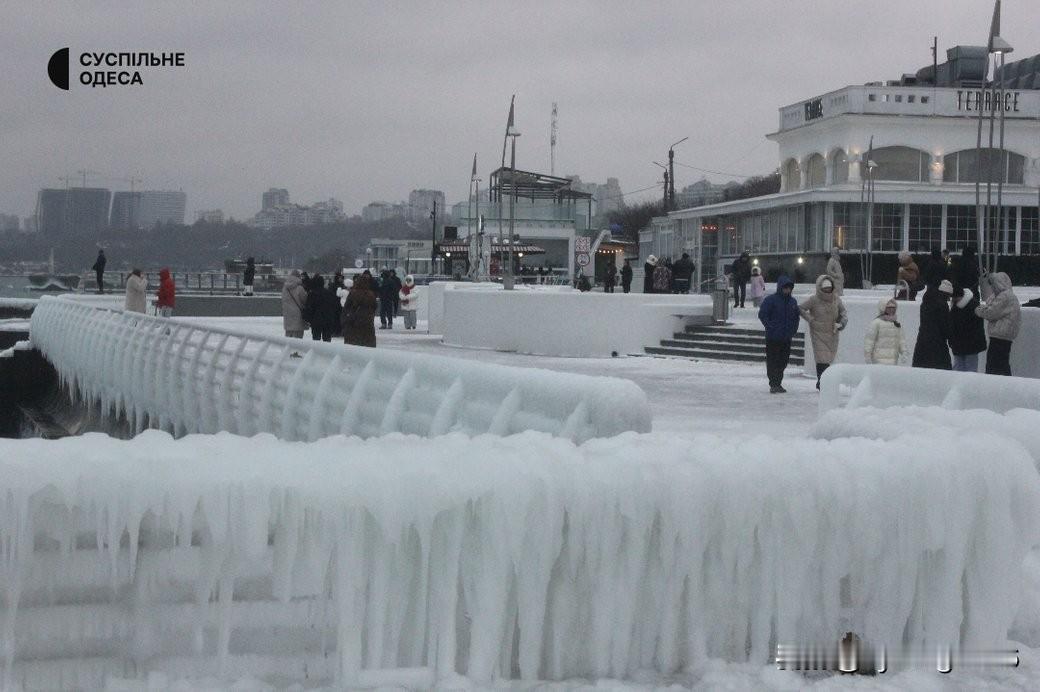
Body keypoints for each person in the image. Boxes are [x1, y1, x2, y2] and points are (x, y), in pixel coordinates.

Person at [799, 275, 849, 389]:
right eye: (825, 288)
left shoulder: (836, 299)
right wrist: (810, 319)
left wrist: (841, 323)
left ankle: (825, 380)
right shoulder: (813, 300)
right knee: (822, 359)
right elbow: (801, 308)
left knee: (829, 358)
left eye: (829, 288)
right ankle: (821, 381)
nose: (827, 290)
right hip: (818, 333)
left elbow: (843, 312)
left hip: (832, 332)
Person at [758, 275, 800, 393]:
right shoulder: (771, 300)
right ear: (780, 287)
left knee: (783, 361)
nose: (787, 290)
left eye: (789, 288)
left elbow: (795, 317)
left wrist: (793, 329)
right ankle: (774, 383)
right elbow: (763, 314)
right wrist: (770, 326)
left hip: (786, 337)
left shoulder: (792, 301)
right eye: (785, 287)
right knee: (773, 361)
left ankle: (778, 382)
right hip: (773, 337)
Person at [975, 271, 1020, 376]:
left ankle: (997, 388)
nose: (992, 287)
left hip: (1000, 336)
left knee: (994, 366)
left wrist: (978, 310)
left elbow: (991, 312)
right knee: (1002, 365)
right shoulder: (1009, 296)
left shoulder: (1005, 297)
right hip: (1005, 336)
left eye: (993, 284)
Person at [912, 279, 954, 370]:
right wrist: (951, 339)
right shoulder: (942, 305)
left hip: (922, 340)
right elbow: (945, 326)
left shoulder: (925, 302)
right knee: (941, 369)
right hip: (938, 343)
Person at [949, 286, 986, 372]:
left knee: (962, 368)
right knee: (968, 368)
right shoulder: (973, 304)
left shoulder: (959, 307)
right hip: (966, 344)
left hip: (967, 344)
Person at [864, 297, 907, 365]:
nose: (891, 310)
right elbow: (869, 340)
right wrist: (867, 354)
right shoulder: (876, 323)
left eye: (893, 307)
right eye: (889, 307)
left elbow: (901, 340)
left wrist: (904, 352)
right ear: (883, 308)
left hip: (893, 360)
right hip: (878, 360)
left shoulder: (896, 324)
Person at [342, 273, 377, 347]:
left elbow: (346, 308)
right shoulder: (371, 294)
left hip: (354, 323)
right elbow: (374, 307)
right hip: (367, 322)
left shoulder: (353, 293)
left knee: (354, 345)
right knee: (367, 346)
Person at [281, 270, 308, 338]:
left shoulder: (285, 288)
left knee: (288, 337)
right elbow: (305, 300)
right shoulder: (300, 288)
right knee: (298, 338)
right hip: (298, 315)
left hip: (287, 314)